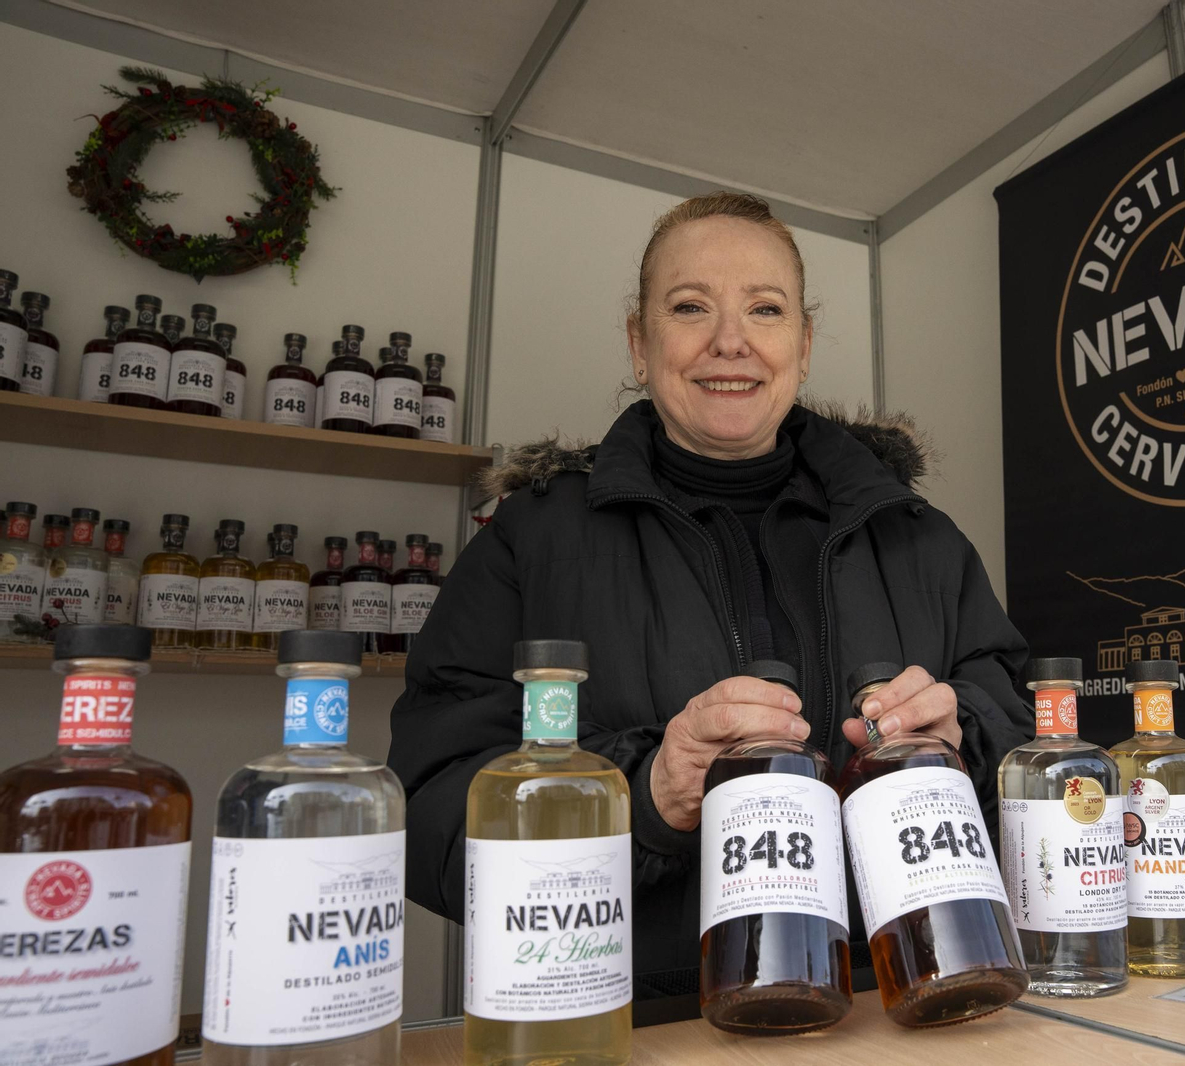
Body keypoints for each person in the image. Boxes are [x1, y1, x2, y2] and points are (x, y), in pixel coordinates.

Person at [389, 191, 1032, 978]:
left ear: (803, 343)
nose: (731, 342)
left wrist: (960, 733)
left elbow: (1025, 732)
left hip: (900, 1007)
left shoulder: (920, 539)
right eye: (691, 306)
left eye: (765, 310)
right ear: (639, 342)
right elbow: (431, 810)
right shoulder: (532, 539)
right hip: (637, 1023)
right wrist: (647, 793)